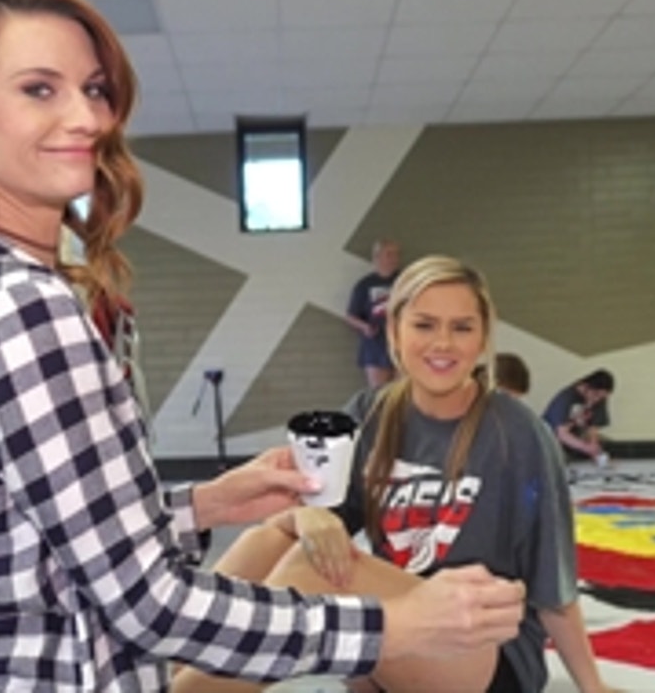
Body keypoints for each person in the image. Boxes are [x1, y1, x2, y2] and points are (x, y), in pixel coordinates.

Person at [0, 0, 527, 689]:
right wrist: (396, 624)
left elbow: (33, 545)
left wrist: (209, 503)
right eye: (39, 89)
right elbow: (149, 605)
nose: (86, 117)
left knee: (281, 536)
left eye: (93, 89)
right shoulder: (18, 307)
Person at [174, 256, 613, 693]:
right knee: (272, 538)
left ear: (482, 340)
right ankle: (169, 672)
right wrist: (303, 515)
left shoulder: (518, 432)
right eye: (424, 325)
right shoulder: (369, 413)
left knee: (315, 566)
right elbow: (306, 521)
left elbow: (553, 582)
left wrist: (592, 687)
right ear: (393, 334)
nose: (443, 343)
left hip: (483, 651)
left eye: (462, 327)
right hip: (401, 632)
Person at [346, 238, 400, 388]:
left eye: (396, 254)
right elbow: (351, 316)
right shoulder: (364, 285)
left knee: (402, 393)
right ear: (377, 257)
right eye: (389, 254)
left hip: (401, 343)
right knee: (378, 394)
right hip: (375, 345)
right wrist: (365, 327)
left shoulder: (405, 281)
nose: (394, 258)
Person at [542, 369, 615, 468]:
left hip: (576, 436)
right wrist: (586, 448)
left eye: (602, 398)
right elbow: (561, 434)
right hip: (552, 438)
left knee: (605, 444)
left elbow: (593, 428)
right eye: (596, 395)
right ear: (586, 387)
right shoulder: (565, 399)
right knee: (558, 458)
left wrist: (594, 450)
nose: (597, 400)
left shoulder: (599, 399)